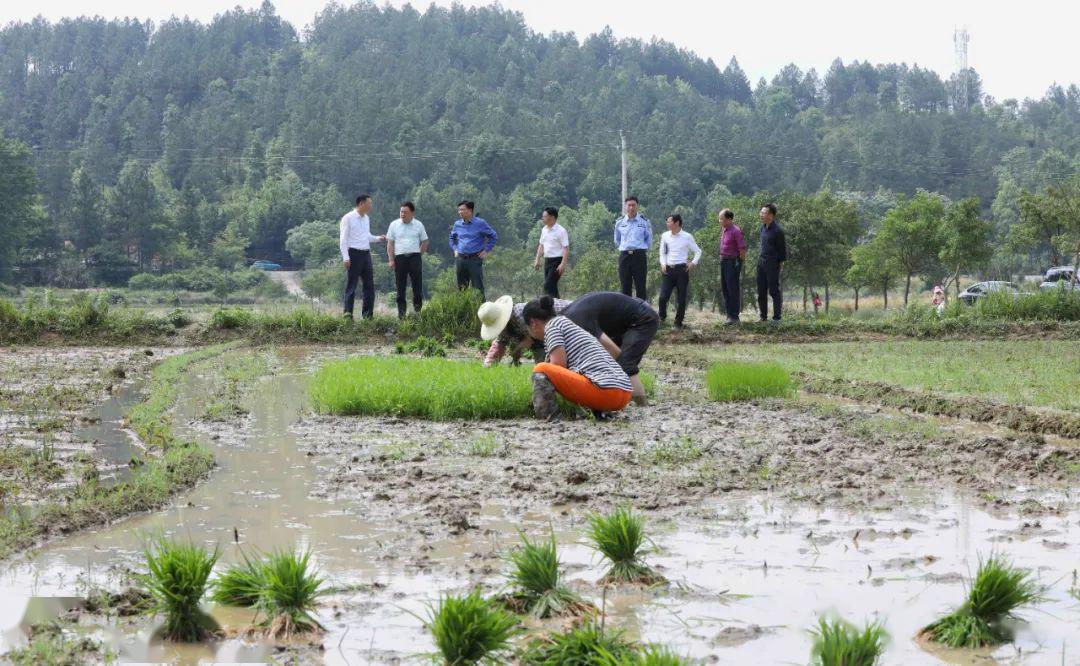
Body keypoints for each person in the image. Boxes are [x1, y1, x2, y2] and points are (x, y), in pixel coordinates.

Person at [522, 296, 633, 420]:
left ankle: (549, 416)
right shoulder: (565, 324)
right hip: (624, 392)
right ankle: (596, 412)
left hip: (606, 391)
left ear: (533, 323)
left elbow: (558, 366)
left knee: (541, 368)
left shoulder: (552, 327)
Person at [562, 291, 659, 405]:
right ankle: (625, 400)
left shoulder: (577, 321)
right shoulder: (566, 318)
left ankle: (642, 405)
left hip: (643, 319)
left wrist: (607, 370)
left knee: (625, 364)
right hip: (623, 323)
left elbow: (614, 350)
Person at [480, 295, 573, 366]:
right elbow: (500, 344)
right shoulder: (506, 324)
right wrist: (488, 366)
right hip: (552, 325)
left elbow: (530, 340)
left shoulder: (519, 314)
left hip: (570, 314)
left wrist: (517, 350)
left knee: (542, 350)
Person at [340, 194, 386, 319]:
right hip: (353, 254)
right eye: (369, 204)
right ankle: (348, 316)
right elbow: (343, 240)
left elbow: (367, 236)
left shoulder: (366, 218)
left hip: (366, 254)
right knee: (352, 286)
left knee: (369, 286)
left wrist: (379, 238)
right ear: (361, 204)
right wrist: (346, 257)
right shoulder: (348, 218)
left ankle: (367, 316)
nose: (370, 207)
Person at [658, 214, 702, 330]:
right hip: (668, 270)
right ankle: (661, 318)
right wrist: (663, 263)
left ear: (677, 223)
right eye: (667, 222)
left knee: (681, 298)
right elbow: (662, 252)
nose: (667, 224)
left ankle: (678, 323)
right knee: (663, 297)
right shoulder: (665, 236)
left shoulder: (687, 237)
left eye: (669, 222)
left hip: (681, 270)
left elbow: (698, 251)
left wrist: (693, 263)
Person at [386, 201, 429, 318]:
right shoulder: (394, 224)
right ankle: (401, 314)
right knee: (400, 287)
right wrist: (391, 260)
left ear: (412, 213)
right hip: (399, 258)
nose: (402, 214)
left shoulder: (418, 225)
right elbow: (390, 243)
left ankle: (418, 312)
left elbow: (425, 241)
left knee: (417, 286)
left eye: (405, 212)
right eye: (401, 211)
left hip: (415, 257)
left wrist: (419, 255)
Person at [449, 200, 497, 299]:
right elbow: (451, 238)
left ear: (470, 210)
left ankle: (481, 312)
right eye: (459, 210)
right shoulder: (457, 224)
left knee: (478, 288)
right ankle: (464, 311)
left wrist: (486, 250)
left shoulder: (480, 223)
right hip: (461, 259)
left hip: (474, 259)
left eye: (462, 210)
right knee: (462, 288)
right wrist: (455, 249)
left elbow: (494, 236)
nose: (460, 212)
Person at [614, 196, 652, 301]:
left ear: (637, 206)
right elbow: (617, 240)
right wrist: (625, 248)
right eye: (629, 205)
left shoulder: (644, 222)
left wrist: (641, 250)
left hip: (639, 256)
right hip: (625, 256)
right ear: (625, 207)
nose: (631, 208)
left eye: (633, 205)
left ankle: (642, 315)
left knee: (641, 286)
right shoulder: (620, 222)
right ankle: (627, 315)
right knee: (625, 286)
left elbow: (649, 240)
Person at [757, 203, 787, 324]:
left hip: (772, 264)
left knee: (774, 291)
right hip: (761, 263)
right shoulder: (762, 227)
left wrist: (780, 265)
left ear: (771, 215)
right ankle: (763, 317)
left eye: (763, 213)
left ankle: (777, 318)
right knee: (761, 291)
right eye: (761, 212)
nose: (761, 215)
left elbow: (782, 251)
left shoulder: (778, 231)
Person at [718, 209, 746, 325]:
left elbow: (742, 249)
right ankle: (729, 315)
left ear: (729, 219)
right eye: (719, 219)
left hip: (732, 262)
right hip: (724, 261)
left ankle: (734, 317)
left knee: (732, 288)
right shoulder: (724, 229)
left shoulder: (736, 231)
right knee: (725, 288)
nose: (720, 221)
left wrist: (738, 264)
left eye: (722, 219)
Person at [534, 207, 569, 297]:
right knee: (552, 287)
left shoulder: (561, 231)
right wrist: (537, 259)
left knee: (548, 285)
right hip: (547, 260)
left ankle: (549, 307)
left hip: (557, 261)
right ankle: (559, 306)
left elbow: (565, 248)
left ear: (552, 217)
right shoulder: (544, 230)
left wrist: (562, 264)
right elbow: (541, 245)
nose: (543, 218)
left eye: (545, 216)